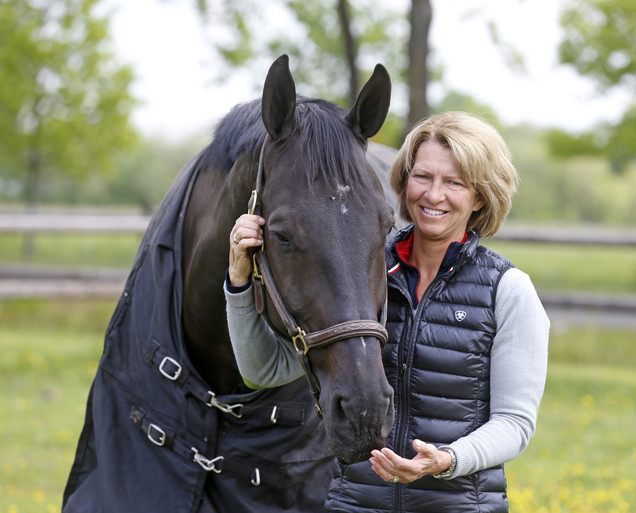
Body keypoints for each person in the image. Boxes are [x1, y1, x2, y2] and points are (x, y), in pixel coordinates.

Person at [225, 111, 549, 513]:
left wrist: (448, 459)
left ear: (480, 197)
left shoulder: (508, 291)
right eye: (423, 177)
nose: (433, 195)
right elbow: (265, 371)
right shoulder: (362, 274)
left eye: (454, 183)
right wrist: (239, 281)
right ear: (403, 181)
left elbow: (515, 424)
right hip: (354, 504)